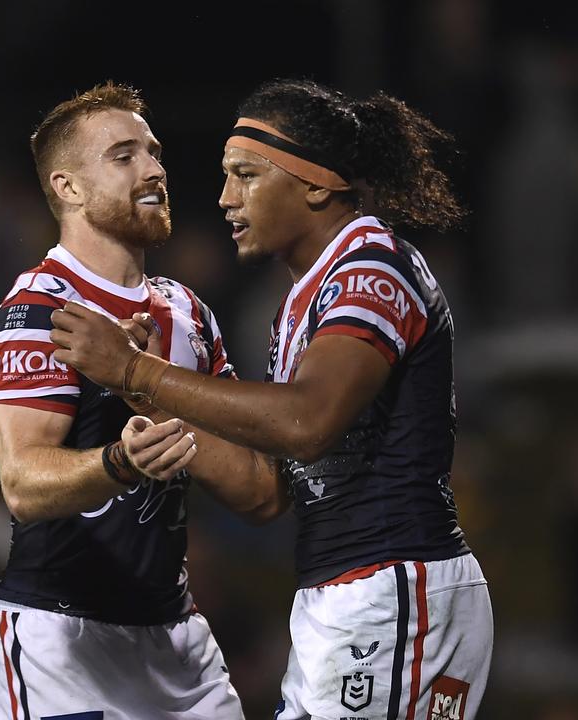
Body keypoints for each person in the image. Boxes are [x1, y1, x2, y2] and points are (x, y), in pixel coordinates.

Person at [51, 79, 493, 720]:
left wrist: (138, 370)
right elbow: (268, 492)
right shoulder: (301, 300)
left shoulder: (371, 268)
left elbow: (308, 420)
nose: (226, 198)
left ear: (315, 185)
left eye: (247, 176)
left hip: (394, 585)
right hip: (340, 596)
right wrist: (130, 392)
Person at [0, 81, 249, 719]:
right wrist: (119, 463)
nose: (155, 169)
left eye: (153, 153)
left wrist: (141, 385)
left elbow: (259, 492)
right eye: (124, 156)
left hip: (178, 641)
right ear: (68, 187)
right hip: (63, 640)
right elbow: (22, 483)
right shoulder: (38, 311)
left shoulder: (190, 314)